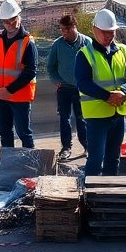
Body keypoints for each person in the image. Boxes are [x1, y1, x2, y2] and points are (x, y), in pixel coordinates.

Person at [74, 9, 126, 176]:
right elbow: (83, 84)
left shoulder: (124, 51)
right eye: (104, 32)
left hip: (118, 115)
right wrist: (108, 96)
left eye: (111, 32)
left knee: (113, 157)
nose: (108, 36)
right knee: (96, 158)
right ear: (94, 30)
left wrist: (123, 91)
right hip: (97, 117)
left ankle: (108, 192)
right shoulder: (85, 54)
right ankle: (91, 196)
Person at [0, 0, 37, 158]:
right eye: (6, 22)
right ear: (2, 22)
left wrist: (9, 90)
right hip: (0, 96)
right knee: (5, 134)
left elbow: (30, 71)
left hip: (19, 97)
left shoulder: (28, 41)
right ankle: (7, 166)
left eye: (13, 21)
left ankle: (31, 165)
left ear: (19, 18)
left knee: (24, 133)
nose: (10, 25)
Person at [46, 14, 91, 161]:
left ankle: (87, 145)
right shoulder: (57, 45)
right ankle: (66, 148)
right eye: (61, 30)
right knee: (64, 118)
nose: (63, 33)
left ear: (73, 28)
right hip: (64, 88)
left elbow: (95, 65)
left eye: (65, 30)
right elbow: (50, 67)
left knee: (82, 118)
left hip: (81, 88)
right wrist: (56, 80)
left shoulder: (87, 43)